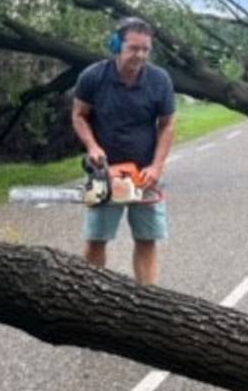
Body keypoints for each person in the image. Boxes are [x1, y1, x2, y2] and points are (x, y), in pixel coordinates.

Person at [72, 17, 177, 286]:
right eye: (133, 48)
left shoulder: (159, 80)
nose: (140, 55)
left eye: (145, 49)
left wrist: (157, 166)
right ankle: (91, 295)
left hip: (145, 172)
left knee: (147, 239)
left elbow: (168, 125)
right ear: (117, 45)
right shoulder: (93, 77)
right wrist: (93, 147)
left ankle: (148, 300)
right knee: (96, 239)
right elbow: (79, 115)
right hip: (105, 172)